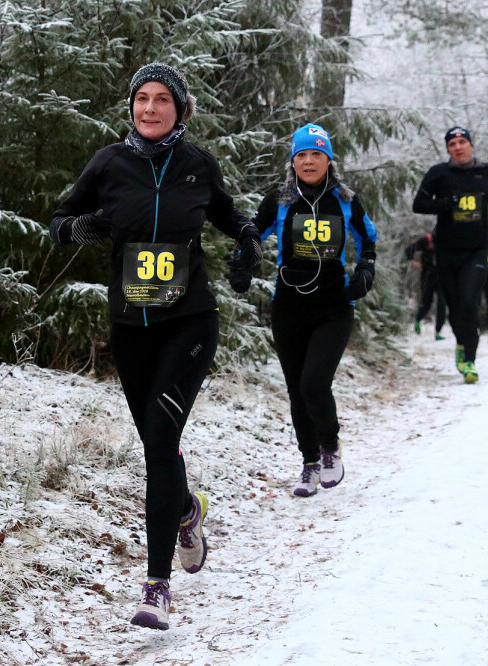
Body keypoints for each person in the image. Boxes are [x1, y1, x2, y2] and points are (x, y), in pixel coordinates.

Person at [49, 62, 261, 631]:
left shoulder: (196, 164)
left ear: (179, 108)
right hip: (131, 325)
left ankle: (157, 586)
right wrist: (83, 228)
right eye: (141, 98)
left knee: (162, 438)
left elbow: (228, 214)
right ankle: (187, 510)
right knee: (157, 448)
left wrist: (247, 244)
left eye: (161, 99)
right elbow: (61, 219)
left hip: (189, 321)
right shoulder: (109, 163)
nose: (149, 108)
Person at [230, 123, 377, 497]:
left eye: (316, 154)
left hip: (333, 306)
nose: (309, 161)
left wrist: (365, 268)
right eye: (301, 155)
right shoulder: (279, 200)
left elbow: (368, 239)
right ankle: (309, 464)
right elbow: (252, 233)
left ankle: (330, 448)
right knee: (297, 390)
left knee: (314, 383)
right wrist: (242, 263)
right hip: (289, 306)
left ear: (328, 159)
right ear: (292, 161)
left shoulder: (346, 200)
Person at [411, 126, 488, 383]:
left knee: (470, 302)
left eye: (462, 142)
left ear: (471, 145)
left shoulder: (485, 171)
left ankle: (470, 361)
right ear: (448, 149)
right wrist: (446, 203)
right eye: (452, 144)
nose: (458, 147)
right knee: (455, 308)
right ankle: (462, 345)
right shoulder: (438, 174)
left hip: (476, 251)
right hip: (446, 251)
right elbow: (419, 204)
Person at [404, 232, 446, 340]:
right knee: (427, 301)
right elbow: (410, 248)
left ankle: (438, 332)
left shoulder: (449, 240)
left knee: (442, 303)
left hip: (443, 276)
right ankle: (418, 320)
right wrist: (412, 260)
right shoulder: (427, 240)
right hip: (428, 275)